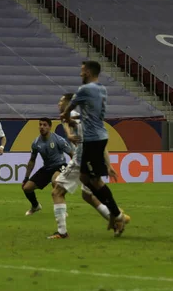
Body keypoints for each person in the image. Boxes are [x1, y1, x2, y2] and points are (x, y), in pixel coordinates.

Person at [61, 61, 131, 237]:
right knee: (85, 177)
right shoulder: (102, 89)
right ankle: (114, 214)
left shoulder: (84, 90)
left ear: (89, 72)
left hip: (92, 139)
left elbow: (68, 109)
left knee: (96, 182)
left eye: (82, 71)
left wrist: (64, 117)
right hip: (98, 136)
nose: (80, 74)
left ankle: (117, 215)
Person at [49, 94, 129, 239]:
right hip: (92, 158)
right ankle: (118, 217)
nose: (58, 103)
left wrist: (69, 134)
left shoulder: (72, 114)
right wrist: (108, 164)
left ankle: (62, 232)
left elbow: (67, 121)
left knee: (57, 192)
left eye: (61, 101)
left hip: (80, 160)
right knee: (88, 195)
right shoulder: (91, 121)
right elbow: (102, 144)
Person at [22, 118, 73, 217]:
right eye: (40, 125)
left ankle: (62, 209)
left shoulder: (58, 140)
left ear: (50, 127)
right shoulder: (36, 143)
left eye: (45, 125)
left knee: (56, 182)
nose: (42, 127)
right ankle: (35, 206)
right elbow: (32, 160)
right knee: (26, 188)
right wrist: (26, 178)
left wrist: (72, 169)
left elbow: (72, 154)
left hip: (60, 165)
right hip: (47, 168)